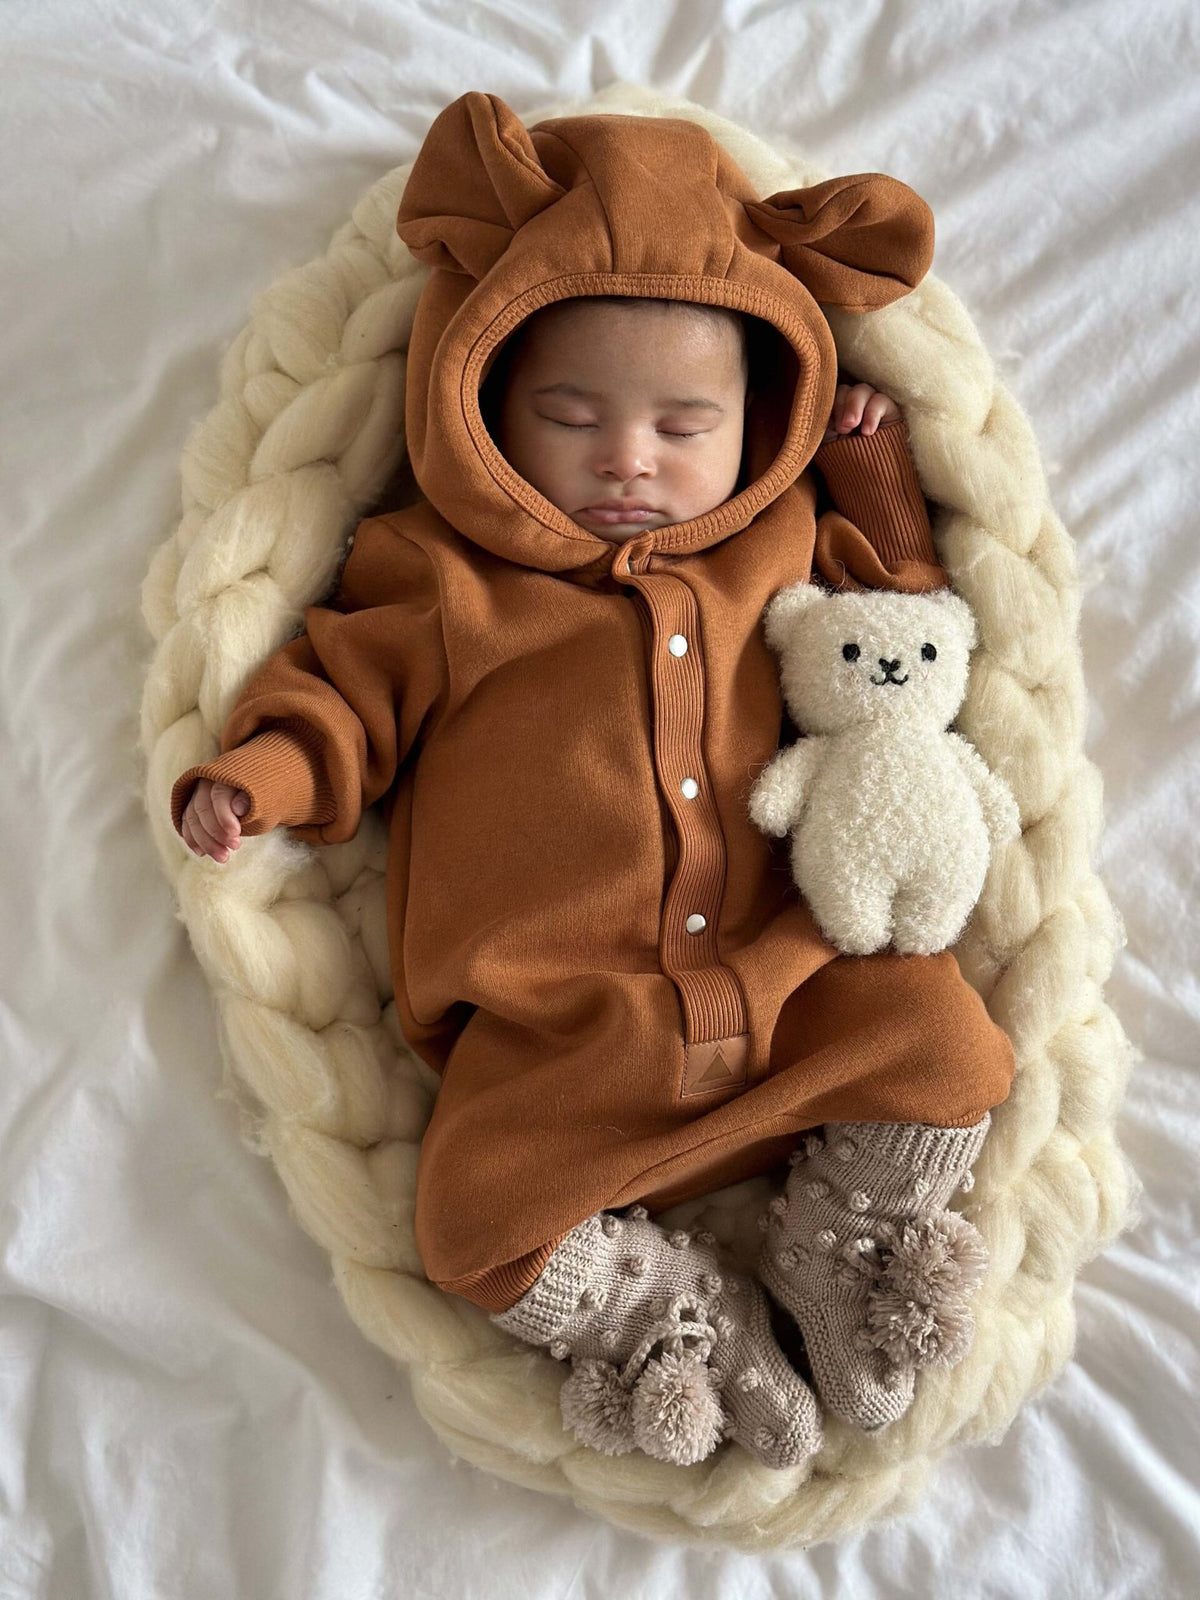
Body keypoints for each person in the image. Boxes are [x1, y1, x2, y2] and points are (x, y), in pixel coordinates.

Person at [170, 93, 1015, 1468]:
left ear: (761, 428)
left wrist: (868, 472)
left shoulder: (780, 544)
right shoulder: (442, 577)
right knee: (472, 1226)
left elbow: (904, 636)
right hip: (567, 1034)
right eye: (573, 413)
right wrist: (260, 775)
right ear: (486, 406)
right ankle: (661, 1312)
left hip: (797, 971)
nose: (631, 458)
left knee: (950, 1048)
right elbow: (342, 691)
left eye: (685, 426)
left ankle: (839, 1234)